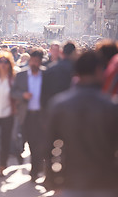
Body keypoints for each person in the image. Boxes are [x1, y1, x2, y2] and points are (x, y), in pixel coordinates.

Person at [45, 51, 118, 196]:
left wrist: (54, 181)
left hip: (72, 182)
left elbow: (48, 147)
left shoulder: (59, 104)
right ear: (99, 71)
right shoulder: (111, 106)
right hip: (106, 183)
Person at [11, 48, 46, 182]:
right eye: (32, 60)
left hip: (41, 115)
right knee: (30, 142)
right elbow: (13, 92)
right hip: (27, 115)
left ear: (40, 62)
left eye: (37, 61)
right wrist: (22, 95)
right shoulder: (22, 75)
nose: (34, 63)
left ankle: (35, 169)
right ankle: (34, 165)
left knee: (39, 143)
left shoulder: (46, 75)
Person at [41, 42, 76, 109]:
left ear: (61, 52)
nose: (55, 52)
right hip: (51, 101)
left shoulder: (70, 66)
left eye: (57, 50)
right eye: (54, 50)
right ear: (50, 50)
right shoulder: (44, 64)